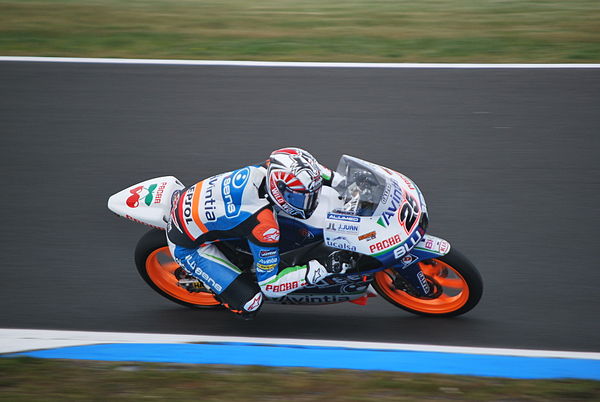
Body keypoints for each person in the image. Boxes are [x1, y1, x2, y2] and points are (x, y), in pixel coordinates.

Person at [166, 147, 349, 319]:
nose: (311, 202)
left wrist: (340, 181)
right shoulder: (264, 224)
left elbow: (313, 169)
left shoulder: (275, 165)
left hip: (196, 207)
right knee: (250, 304)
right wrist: (323, 268)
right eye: (301, 198)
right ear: (280, 192)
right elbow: (270, 286)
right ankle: (215, 287)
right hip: (188, 246)